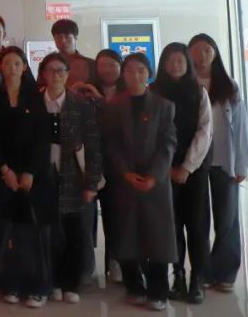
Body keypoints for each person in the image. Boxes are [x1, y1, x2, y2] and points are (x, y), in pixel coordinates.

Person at [105, 53, 177, 310]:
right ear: (123, 74)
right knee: (126, 233)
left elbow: (168, 143)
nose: (135, 75)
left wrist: (154, 176)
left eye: (141, 70)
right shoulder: (114, 105)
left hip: (155, 183)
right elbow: (110, 143)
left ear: (149, 74)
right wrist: (125, 173)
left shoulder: (164, 105)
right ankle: (134, 285)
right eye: (130, 70)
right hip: (124, 181)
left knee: (157, 236)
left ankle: (158, 291)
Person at [37, 52, 103, 304]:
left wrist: (91, 183)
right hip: (42, 176)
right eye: (51, 70)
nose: (56, 75)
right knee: (49, 232)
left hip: (74, 177)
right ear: (43, 74)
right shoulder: (34, 103)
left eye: (61, 71)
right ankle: (52, 281)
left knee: (74, 232)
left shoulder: (81, 106)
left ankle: (70, 283)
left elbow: (93, 146)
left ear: (67, 75)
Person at [189, 34, 248, 293]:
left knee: (227, 219)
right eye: (196, 50)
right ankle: (202, 271)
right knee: (198, 218)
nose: (202, 55)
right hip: (195, 161)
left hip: (224, 161)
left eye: (207, 50)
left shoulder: (229, 86)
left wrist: (242, 164)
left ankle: (225, 272)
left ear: (215, 53)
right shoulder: (186, 85)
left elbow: (242, 127)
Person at [153, 42, 213, 304]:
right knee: (172, 225)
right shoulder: (154, 93)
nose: (175, 65)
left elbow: (205, 131)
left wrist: (187, 167)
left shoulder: (199, 93)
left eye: (180, 60)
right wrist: (165, 167)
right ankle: (177, 275)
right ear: (163, 64)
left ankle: (197, 279)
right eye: (170, 60)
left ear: (188, 64)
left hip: (194, 170)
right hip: (163, 170)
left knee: (197, 226)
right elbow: (150, 135)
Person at [0, 47, 50, 308]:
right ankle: (10, 284)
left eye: (17, 63)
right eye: (7, 63)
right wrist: (5, 170)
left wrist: (30, 172)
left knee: (32, 234)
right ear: (0, 67)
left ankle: (37, 287)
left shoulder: (35, 97)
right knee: (6, 232)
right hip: (4, 175)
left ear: (24, 67)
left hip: (32, 176)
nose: (12, 68)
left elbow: (42, 139)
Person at [88, 49, 125, 282]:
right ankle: (87, 262)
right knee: (88, 214)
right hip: (93, 160)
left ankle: (116, 261)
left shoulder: (128, 91)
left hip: (119, 163)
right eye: (102, 65)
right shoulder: (88, 91)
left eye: (112, 65)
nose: (107, 70)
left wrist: (101, 101)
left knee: (115, 214)